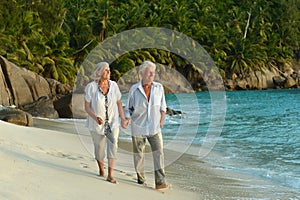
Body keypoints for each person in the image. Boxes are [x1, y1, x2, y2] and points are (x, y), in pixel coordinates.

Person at [124, 60, 170, 190]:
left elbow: (163, 107)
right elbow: (129, 108)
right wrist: (127, 119)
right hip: (138, 126)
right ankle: (141, 179)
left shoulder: (159, 88)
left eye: (153, 73)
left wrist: (161, 120)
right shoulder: (134, 89)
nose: (152, 75)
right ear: (142, 74)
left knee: (159, 152)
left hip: (154, 127)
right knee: (139, 154)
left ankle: (160, 182)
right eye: (149, 72)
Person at [84, 62, 126, 184]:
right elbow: (87, 107)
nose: (108, 72)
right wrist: (95, 117)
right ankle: (101, 169)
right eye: (105, 70)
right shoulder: (91, 87)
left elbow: (118, 103)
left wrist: (123, 118)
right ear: (98, 72)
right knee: (99, 149)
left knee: (113, 145)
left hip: (113, 122)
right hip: (96, 123)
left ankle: (110, 175)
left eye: (109, 70)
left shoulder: (114, 86)